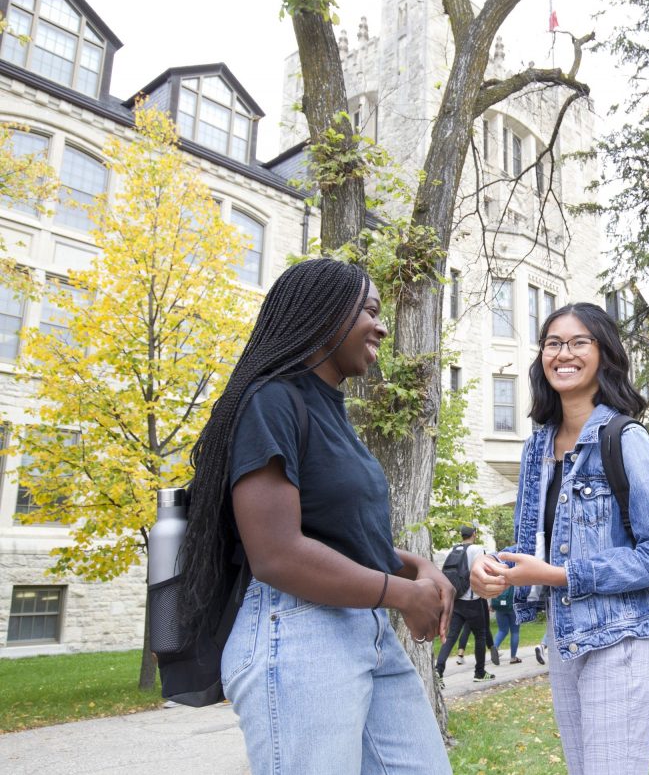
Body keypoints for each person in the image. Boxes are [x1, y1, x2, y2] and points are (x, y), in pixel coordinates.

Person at [176, 258, 454, 775]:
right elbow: (278, 554)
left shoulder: (330, 409)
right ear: (326, 314)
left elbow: (336, 536)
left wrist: (419, 568)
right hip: (298, 632)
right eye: (370, 310)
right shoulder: (272, 400)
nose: (383, 325)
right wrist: (401, 593)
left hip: (364, 629)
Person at [471, 301, 649, 775]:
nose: (563, 353)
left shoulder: (625, 438)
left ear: (603, 354)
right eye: (552, 343)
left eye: (578, 341)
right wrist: (496, 573)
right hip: (565, 643)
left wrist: (559, 575)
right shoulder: (536, 447)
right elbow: (536, 548)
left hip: (623, 639)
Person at [435, 525, 495, 683]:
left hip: (456, 601)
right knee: (480, 636)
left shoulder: (452, 549)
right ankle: (479, 672)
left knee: (451, 636)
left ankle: (438, 670)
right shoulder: (477, 549)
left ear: (462, 535)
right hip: (473, 600)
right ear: (474, 534)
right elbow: (484, 571)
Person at [491, 585, 522, 663]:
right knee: (515, 632)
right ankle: (513, 657)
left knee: (502, 630)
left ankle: (495, 647)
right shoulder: (516, 576)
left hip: (500, 607)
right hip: (513, 607)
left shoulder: (498, 574)